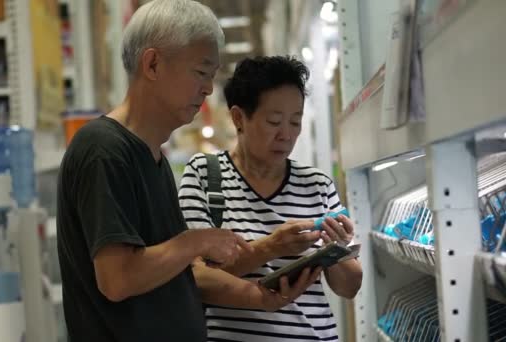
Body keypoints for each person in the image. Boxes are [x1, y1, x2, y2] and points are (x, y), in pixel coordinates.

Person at [57, 2, 322, 341]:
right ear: (152, 63)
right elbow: (117, 278)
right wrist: (195, 241)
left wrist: (263, 296)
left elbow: (173, 273)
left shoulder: (152, 157)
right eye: (201, 72)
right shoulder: (104, 150)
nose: (209, 89)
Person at [179, 55, 363, 342]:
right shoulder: (204, 175)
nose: (286, 135)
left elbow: (349, 288)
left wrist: (337, 250)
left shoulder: (317, 184)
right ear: (239, 118)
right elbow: (195, 279)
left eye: (295, 121)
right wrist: (271, 247)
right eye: (274, 121)